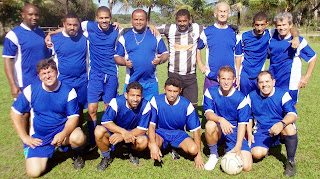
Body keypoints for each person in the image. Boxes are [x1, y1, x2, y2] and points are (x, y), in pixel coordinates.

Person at [46, 6, 122, 149]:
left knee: (108, 108)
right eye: (101, 17)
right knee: (92, 109)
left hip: (111, 74)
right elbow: (70, 27)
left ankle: (110, 139)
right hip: (94, 75)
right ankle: (93, 141)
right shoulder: (89, 26)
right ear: (96, 18)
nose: (104, 20)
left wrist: (150, 27)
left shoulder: (116, 30)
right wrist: (51, 34)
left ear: (111, 18)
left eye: (107, 18)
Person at [10, 58, 86, 178]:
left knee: (79, 137)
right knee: (33, 173)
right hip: (40, 137)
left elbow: (73, 118)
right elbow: (15, 113)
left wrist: (63, 133)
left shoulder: (68, 91)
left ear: (56, 72)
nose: (48, 76)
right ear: (39, 76)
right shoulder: (31, 90)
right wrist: (24, 137)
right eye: (43, 73)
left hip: (62, 132)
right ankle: (48, 153)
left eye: (50, 72)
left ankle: (77, 155)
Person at [3, 3, 51, 135]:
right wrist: (13, 85)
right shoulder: (13, 35)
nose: (34, 17)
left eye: (36, 14)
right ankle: (27, 145)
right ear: (22, 15)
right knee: (24, 113)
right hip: (24, 83)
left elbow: (46, 57)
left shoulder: (41, 33)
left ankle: (40, 140)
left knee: (40, 112)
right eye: (30, 14)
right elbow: (8, 60)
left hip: (41, 82)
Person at [149, 9, 204, 109]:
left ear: (189, 20)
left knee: (192, 106)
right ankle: (173, 124)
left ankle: (190, 125)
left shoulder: (197, 28)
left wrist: (231, 28)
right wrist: (150, 26)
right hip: (174, 74)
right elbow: (149, 29)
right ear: (176, 20)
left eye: (185, 21)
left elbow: (213, 30)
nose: (182, 24)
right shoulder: (169, 28)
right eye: (179, 21)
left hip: (190, 76)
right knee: (173, 104)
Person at [248, 71, 298, 177]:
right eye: (261, 82)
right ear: (257, 84)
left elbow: (293, 114)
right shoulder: (251, 96)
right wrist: (249, 134)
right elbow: (247, 117)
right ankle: (267, 147)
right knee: (256, 154)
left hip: (280, 129)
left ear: (273, 82)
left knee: (289, 127)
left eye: (267, 81)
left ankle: (290, 162)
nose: (265, 85)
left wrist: (281, 123)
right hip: (262, 131)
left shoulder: (283, 94)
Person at [203, 66, 252, 171]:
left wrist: (238, 146)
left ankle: (230, 147)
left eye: (229, 79)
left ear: (234, 80)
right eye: (223, 79)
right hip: (219, 127)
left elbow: (242, 124)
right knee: (210, 125)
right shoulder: (210, 92)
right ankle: (214, 155)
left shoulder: (241, 98)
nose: (226, 82)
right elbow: (208, 114)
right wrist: (221, 120)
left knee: (247, 167)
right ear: (218, 79)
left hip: (233, 130)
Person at [238, 12, 300, 96]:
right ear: (253, 24)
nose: (259, 28)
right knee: (244, 100)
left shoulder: (270, 33)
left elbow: (291, 29)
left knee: (258, 101)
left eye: (262, 25)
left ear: (267, 24)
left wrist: (296, 37)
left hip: (260, 76)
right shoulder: (243, 36)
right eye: (257, 25)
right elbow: (237, 57)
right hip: (244, 76)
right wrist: (237, 75)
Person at [148, 77, 204, 169]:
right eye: (169, 90)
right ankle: (167, 147)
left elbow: (196, 131)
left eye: (175, 91)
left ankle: (174, 147)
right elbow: (151, 125)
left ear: (180, 91)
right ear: (164, 89)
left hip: (179, 134)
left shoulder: (186, 104)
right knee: (151, 144)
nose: (172, 94)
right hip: (161, 133)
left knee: (193, 150)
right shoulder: (155, 100)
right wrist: (154, 145)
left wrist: (198, 155)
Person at [94, 82, 151, 170]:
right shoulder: (116, 102)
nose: (135, 99)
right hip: (115, 132)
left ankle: (132, 152)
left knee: (143, 141)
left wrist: (123, 136)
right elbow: (105, 121)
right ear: (126, 95)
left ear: (142, 96)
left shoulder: (146, 105)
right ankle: (106, 157)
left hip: (133, 133)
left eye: (138, 96)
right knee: (98, 130)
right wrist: (123, 132)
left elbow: (142, 129)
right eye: (132, 95)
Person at [115, 9, 169, 101]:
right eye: (136, 19)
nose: (138, 22)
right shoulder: (125, 37)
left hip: (151, 82)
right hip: (131, 81)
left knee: (151, 111)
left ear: (146, 20)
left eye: (141, 19)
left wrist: (160, 60)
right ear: (131, 20)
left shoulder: (155, 35)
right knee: (131, 111)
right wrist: (124, 62)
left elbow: (165, 53)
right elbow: (116, 56)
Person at [269, 12, 317, 105]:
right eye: (279, 25)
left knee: (290, 108)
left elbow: (313, 58)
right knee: (274, 107)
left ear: (290, 25)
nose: (281, 28)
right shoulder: (272, 35)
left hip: (291, 83)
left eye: (284, 25)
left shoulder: (299, 41)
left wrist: (306, 77)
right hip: (273, 80)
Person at [51, 13, 88, 125]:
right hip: (63, 81)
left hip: (81, 81)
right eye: (69, 24)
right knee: (63, 109)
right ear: (64, 25)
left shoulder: (84, 38)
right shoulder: (54, 39)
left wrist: (115, 24)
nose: (72, 27)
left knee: (80, 108)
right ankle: (64, 134)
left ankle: (80, 134)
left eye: (75, 25)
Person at [197, 2, 242, 93]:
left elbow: (238, 56)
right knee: (210, 105)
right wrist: (201, 65)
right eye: (220, 11)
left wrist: (237, 76)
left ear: (229, 14)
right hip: (212, 78)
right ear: (215, 14)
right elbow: (198, 48)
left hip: (229, 79)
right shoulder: (207, 32)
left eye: (225, 11)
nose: (222, 14)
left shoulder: (234, 34)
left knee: (229, 105)